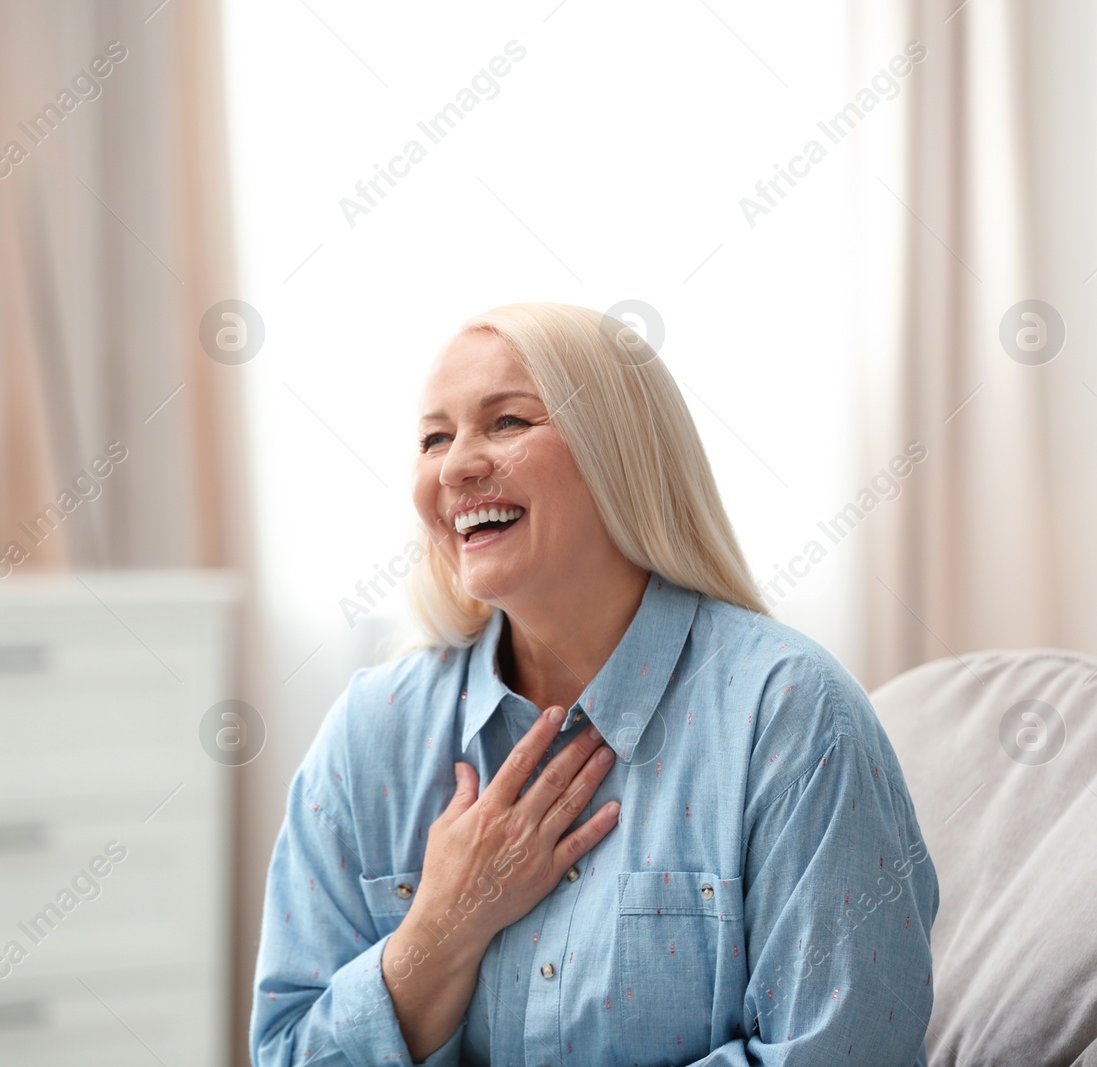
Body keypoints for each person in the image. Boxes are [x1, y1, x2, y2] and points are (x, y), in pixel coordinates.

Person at [251, 302, 940, 1066]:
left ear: (621, 452)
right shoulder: (368, 734)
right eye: (433, 438)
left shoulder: (792, 717)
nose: (455, 467)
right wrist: (439, 929)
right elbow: (286, 1051)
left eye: (507, 421)